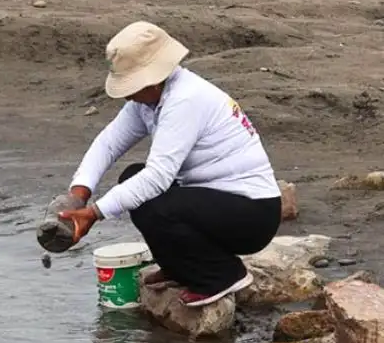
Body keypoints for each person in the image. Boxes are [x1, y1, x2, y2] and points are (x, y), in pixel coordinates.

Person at [58, 22, 284, 308]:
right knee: (132, 176)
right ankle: (181, 267)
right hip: (217, 204)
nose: (127, 95)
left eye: (131, 86)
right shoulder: (150, 100)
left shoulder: (185, 100)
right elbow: (109, 143)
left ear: (152, 81)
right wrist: (78, 194)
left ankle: (222, 275)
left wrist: (94, 213)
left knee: (155, 201)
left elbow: (157, 178)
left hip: (252, 215)